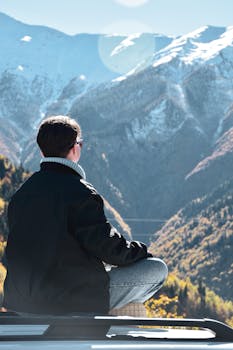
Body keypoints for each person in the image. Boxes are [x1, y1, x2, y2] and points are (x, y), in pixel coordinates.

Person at [3, 115, 168, 315]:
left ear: (41, 150)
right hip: (70, 300)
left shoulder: (22, 194)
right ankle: (105, 316)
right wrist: (140, 252)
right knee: (156, 269)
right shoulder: (80, 192)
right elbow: (107, 248)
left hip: (23, 301)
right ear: (75, 148)